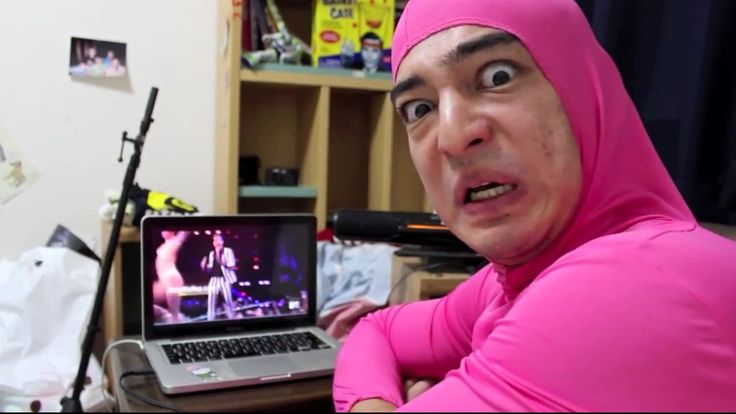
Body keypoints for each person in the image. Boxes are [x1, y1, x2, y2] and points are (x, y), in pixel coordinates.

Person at [332, 0, 736, 411]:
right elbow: (376, 329)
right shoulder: (513, 278)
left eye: (497, 76)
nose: (451, 137)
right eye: (420, 109)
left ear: (584, 90)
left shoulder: (631, 284)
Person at [153, 230, 189, 323]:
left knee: (174, 315)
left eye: (166, 229)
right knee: (146, 302)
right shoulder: (165, 244)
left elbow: (184, 233)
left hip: (171, 278)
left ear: (172, 231)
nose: (163, 231)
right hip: (162, 280)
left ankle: (176, 320)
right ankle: (167, 314)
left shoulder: (175, 241)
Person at [200, 233, 238, 320]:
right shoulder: (211, 253)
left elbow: (232, 266)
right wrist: (203, 267)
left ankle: (231, 317)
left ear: (222, 241)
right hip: (214, 279)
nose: (216, 241)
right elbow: (210, 269)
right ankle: (210, 319)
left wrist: (223, 262)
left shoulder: (228, 251)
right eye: (214, 240)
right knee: (211, 300)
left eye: (218, 239)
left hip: (225, 279)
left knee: (228, 300)